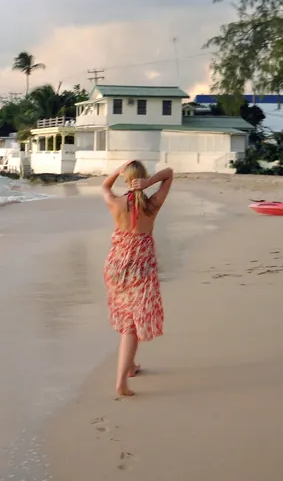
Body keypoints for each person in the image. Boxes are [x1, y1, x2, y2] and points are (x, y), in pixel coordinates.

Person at [101, 160, 173, 398]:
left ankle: (130, 366)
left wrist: (118, 170)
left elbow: (104, 186)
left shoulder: (115, 203)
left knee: (126, 316)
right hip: (140, 267)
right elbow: (169, 174)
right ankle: (121, 381)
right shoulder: (153, 204)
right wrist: (150, 182)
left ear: (125, 179)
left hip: (116, 265)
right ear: (142, 177)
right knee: (132, 323)